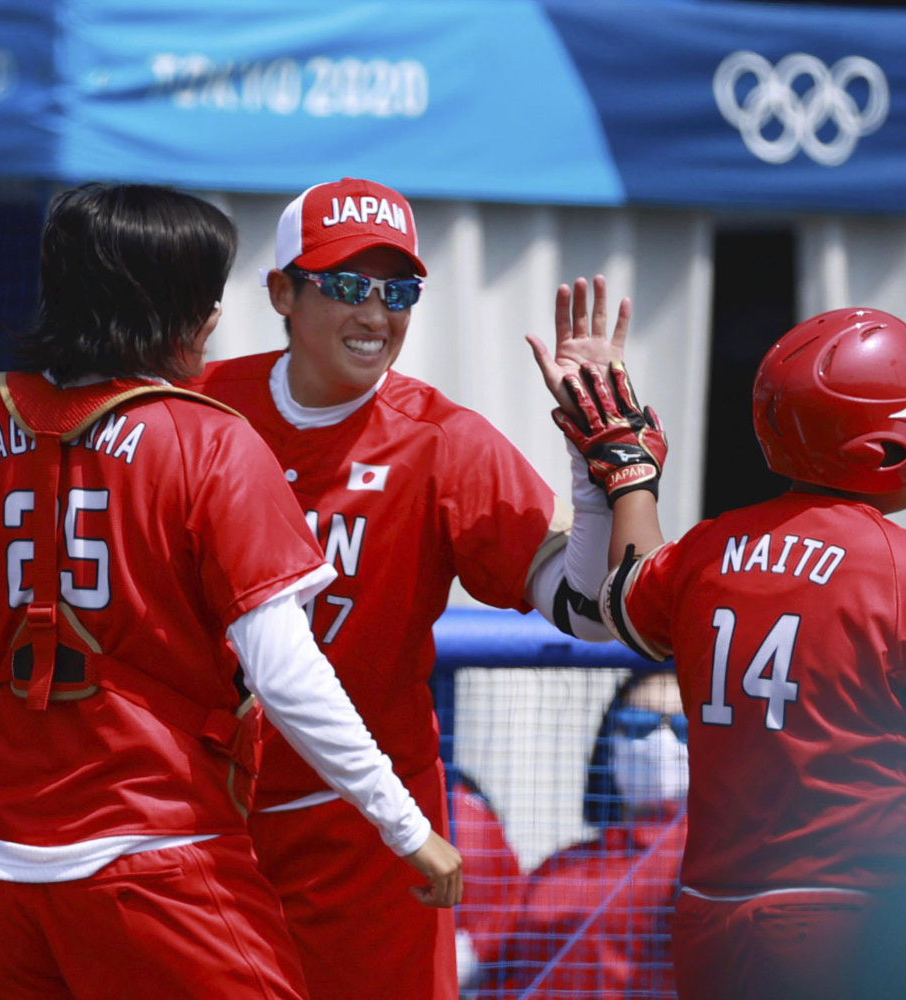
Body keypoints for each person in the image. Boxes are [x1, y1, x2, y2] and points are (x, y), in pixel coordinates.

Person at [0, 181, 462, 1000]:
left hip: (9, 875)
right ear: (169, 310)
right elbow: (286, 672)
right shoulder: (210, 441)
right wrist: (406, 823)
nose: (213, 321)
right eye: (203, 298)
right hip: (161, 863)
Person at [188, 176, 630, 1000]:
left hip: (368, 837)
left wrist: (593, 464)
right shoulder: (204, 408)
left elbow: (587, 612)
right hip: (201, 822)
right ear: (282, 291)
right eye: (349, 285)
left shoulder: (442, 439)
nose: (376, 314)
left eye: (400, 291)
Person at [549, 306, 906, 1000]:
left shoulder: (711, 549)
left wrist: (629, 477)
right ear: (880, 447)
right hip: (852, 918)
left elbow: (624, 595)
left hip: (711, 915)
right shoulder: (893, 566)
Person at [463, 669, 687, 999]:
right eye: (640, 725)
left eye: (683, 730)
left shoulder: (702, 862)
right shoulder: (560, 866)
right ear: (611, 741)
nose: (660, 742)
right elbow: (479, 953)